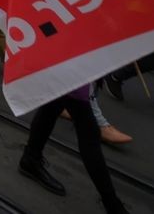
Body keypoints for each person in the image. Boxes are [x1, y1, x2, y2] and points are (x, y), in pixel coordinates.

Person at [18, 83, 128, 214]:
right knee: (89, 131)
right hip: (71, 74)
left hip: (66, 71)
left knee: (54, 104)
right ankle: (112, 203)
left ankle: (31, 158)